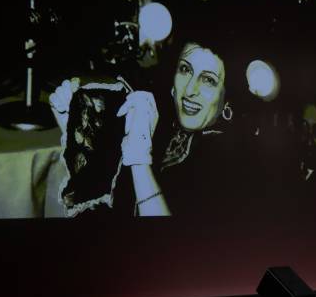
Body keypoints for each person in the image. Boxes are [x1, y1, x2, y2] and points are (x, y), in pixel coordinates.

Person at [49, 38, 237, 218]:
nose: (189, 90)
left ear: (227, 97)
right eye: (186, 69)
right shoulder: (162, 121)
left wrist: (139, 160)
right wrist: (73, 121)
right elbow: (105, 195)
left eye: (209, 80)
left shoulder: (230, 161)